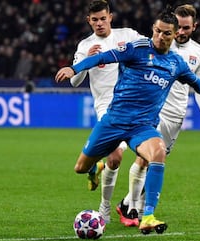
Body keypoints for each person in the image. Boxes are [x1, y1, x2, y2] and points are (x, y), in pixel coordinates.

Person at [55, 7, 200, 234]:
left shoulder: (176, 63)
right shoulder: (136, 49)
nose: (160, 37)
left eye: (166, 33)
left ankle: (147, 214)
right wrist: (74, 68)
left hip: (142, 126)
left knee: (158, 152)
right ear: (153, 29)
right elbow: (102, 57)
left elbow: (199, 84)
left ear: (174, 34)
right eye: (157, 31)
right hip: (114, 121)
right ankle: (93, 170)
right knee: (80, 168)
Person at [115, 4, 200, 228]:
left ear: (194, 27)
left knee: (156, 162)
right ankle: (133, 209)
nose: (180, 31)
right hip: (152, 111)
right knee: (145, 158)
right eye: (177, 27)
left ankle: (128, 204)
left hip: (176, 115)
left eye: (186, 28)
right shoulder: (157, 44)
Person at [69, 0, 144, 224]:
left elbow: (150, 49)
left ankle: (99, 169)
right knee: (116, 156)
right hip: (106, 107)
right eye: (95, 20)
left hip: (132, 103)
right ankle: (105, 208)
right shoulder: (85, 46)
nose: (99, 23)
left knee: (136, 157)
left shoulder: (128, 35)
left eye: (103, 18)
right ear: (88, 21)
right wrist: (86, 61)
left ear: (110, 16)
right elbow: (74, 81)